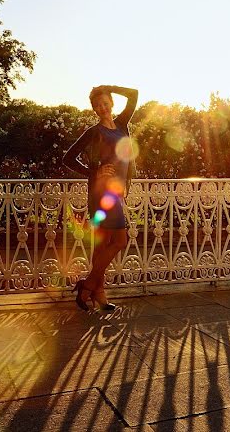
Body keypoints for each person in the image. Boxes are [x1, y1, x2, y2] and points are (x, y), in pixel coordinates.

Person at [62, 85, 138, 311]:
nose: (102, 108)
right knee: (120, 241)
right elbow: (68, 158)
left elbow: (134, 94)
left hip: (115, 193)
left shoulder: (122, 125)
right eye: (97, 105)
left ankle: (98, 293)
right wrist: (94, 172)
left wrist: (108, 87)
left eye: (105, 103)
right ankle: (87, 286)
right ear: (94, 109)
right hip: (101, 194)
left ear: (111, 103)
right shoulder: (93, 132)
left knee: (104, 245)